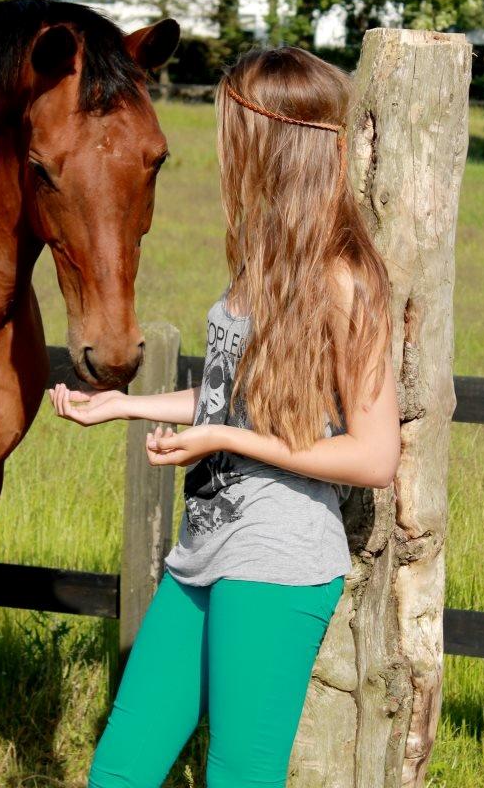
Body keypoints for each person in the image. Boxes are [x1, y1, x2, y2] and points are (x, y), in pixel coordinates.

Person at [49, 45, 402, 788]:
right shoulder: (263, 258)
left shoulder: (347, 280)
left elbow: (374, 457)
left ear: (268, 137)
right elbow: (230, 397)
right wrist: (123, 404)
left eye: (231, 126)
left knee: (239, 776)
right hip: (205, 549)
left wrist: (225, 438)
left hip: (277, 558)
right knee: (121, 769)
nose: (221, 147)